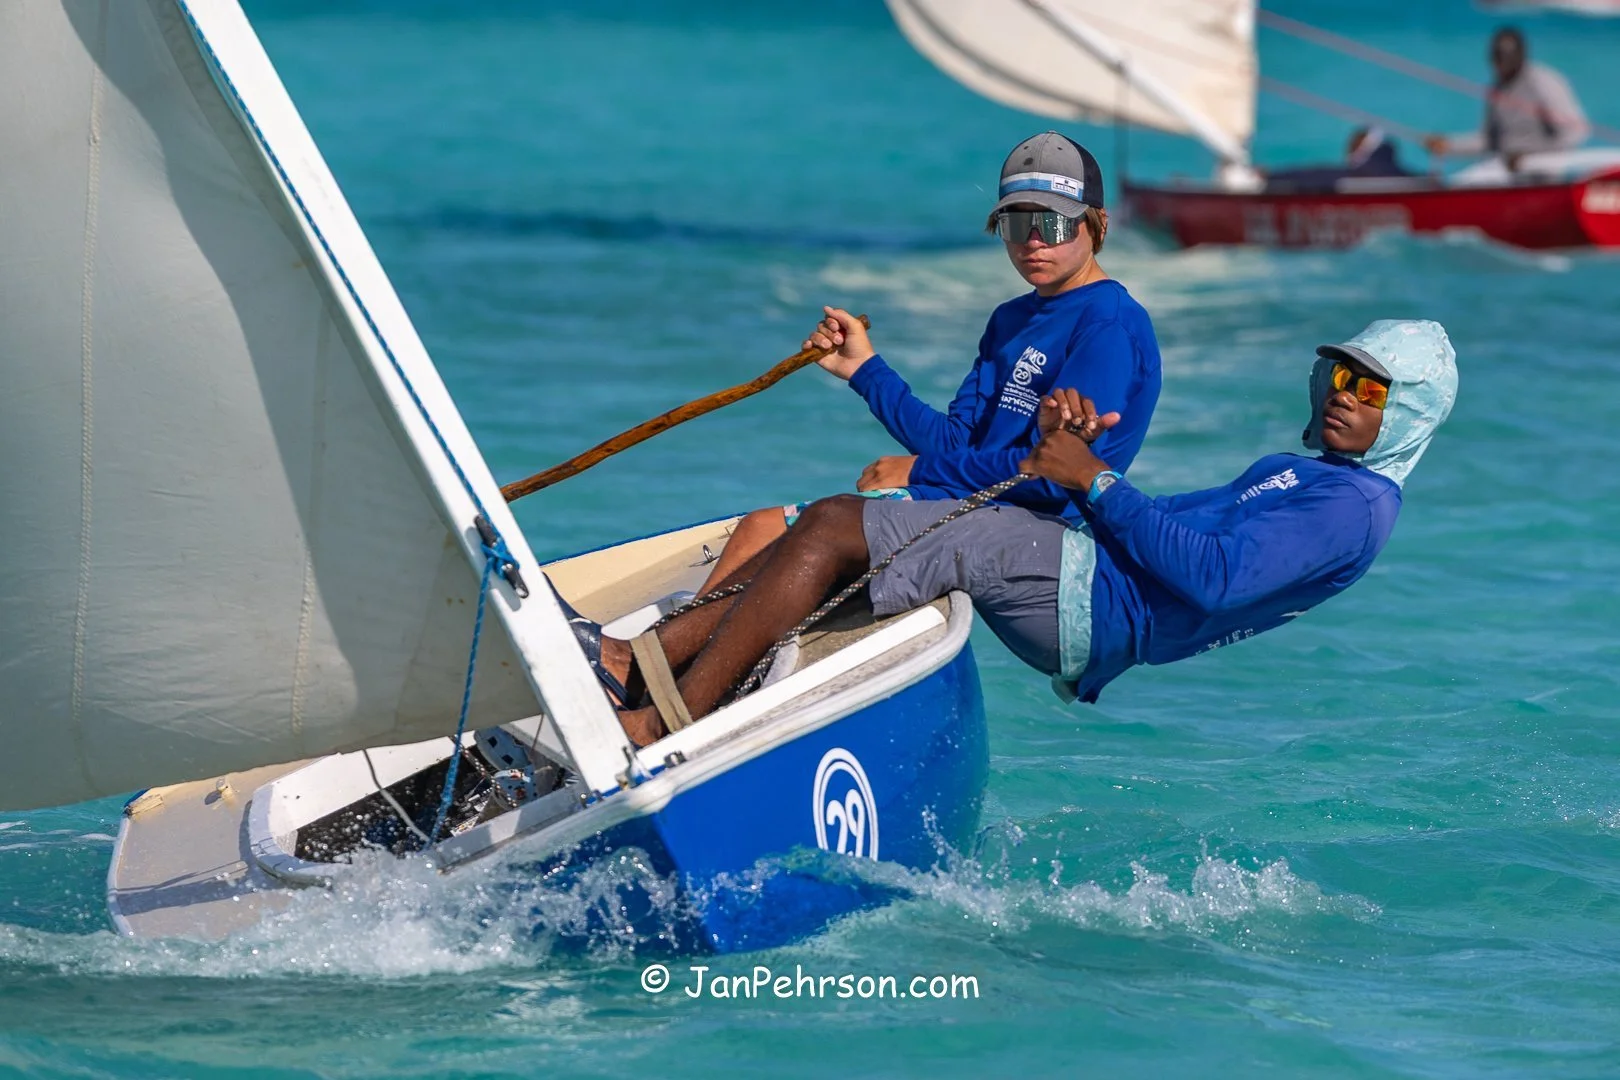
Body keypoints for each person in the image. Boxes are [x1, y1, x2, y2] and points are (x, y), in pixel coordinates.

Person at [585, 319, 1456, 747]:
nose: (1346, 393)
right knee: (834, 528)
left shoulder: (1356, 508)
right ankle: (653, 670)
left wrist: (1095, 478)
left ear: (1409, 414)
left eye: (1374, 391)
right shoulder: (1313, 473)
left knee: (832, 525)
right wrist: (1067, 466)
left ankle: (663, 715)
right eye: (1342, 374)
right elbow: (1160, 522)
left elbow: (1215, 578)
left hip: (1094, 607)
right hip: (1088, 574)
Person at [697, 130, 1162, 593]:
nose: (1034, 241)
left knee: (770, 530)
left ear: (1099, 223)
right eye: (1018, 225)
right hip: (971, 504)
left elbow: (1056, 478)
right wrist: (864, 370)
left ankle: (668, 653)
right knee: (763, 530)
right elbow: (955, 442)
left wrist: (917, 472)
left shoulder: (1109, 326)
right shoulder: (1011, 319)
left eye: (1054, 225)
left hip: (1035, 535)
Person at [1425, 27, 1590, 169]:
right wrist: (1448, 146)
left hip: (1545, 169)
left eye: (1505, 57)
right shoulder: (1497, 88)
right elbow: (1488, 140)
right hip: (1504, 169)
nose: (1500, 64)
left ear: (1520, 56)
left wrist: (1530, 157)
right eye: (1497, 57)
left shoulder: (1543, 83)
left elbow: (1577, 132)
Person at [1263, 127, 1418, 193]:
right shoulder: (1400, 171)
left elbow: (1317, 176)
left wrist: (1271, 176)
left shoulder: (1362, 173)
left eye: (1352, 144)